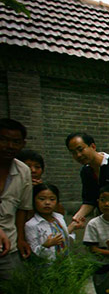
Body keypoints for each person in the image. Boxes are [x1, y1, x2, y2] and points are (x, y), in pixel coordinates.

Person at [0, 118, 33, 280]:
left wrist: (21, 238)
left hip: (9, 246)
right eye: (4, 140)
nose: (9, 146)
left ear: (22, 144)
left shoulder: (23, 171)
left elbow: (22, 208)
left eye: (15, 142)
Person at [65, 132, 109, 229]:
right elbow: (89, 200)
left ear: (93, 146)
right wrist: (75, 220)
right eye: (73, 152)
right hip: (104, 221)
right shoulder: (86, 171)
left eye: (80, 149)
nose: (78, 155)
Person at [83, 185, 109, 294]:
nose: (106, 204)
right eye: (103, 200)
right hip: (103, 267)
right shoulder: (93, 224)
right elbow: (92, 249)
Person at [25, 183, 75, 260]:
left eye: (52, 199)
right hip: (47, 267)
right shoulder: (31, 225)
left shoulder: (59, 218)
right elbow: (33, 252)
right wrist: (46, 245)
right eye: (42, 199)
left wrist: (73, 226)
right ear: (34, 201)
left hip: (65, 263)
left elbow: (65, 238)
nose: (47, 203)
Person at [17, 148, 66, 214]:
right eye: (28, 167)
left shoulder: (46, 190)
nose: (33, 170)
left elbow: (59, 213)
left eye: (37, 167)